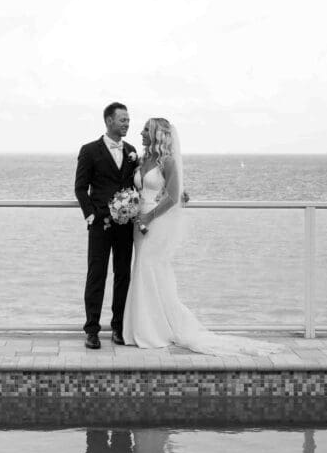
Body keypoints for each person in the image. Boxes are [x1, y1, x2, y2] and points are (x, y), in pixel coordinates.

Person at [122, 117, 280, 355]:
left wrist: (149, 216)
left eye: (146, 129)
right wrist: (129, 207)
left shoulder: (168, 161)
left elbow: (172, 196)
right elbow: (145, 189)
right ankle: (143, 326)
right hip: (139, 222)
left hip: (155, 222)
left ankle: (156, 330)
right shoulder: (144, 159)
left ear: (156, 134)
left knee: (151, 268)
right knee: (142, 270)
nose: (141, 133)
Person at [74, 102, 138, 350]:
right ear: (109, 121)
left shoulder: (132, 151)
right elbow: (80, 188)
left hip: (125, 225)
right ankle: (91, 330)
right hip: (99, 225)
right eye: (123, 120)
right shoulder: (89, 150)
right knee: (96, 275)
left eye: (128, 120)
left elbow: (138, 185)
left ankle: (118, 328)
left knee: (123, 275)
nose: (127, 124)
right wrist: (90, 216)